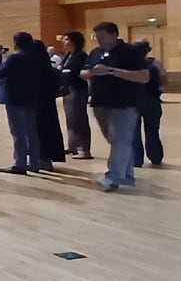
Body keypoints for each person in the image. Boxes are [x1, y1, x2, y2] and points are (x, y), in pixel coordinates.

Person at [80, 21, 151, 191]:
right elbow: (83, 73)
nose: (98, 40)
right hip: (100, 103)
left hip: (124, 103)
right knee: (115, 140)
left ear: (113, 35)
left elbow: (144, 77)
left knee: (121, 140)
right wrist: (91, 73)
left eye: (101, 36)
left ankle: (113, 177)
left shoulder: (130, 52)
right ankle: (126, 175)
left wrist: (113, 71)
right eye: (96, 37)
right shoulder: (95, 52)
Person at [0, 32, 42, 175]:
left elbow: (0, 74)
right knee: (32, 131)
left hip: (15, 97)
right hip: (32, 96)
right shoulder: (36, 57)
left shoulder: (14, 58)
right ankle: (34, 163)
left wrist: (4, 61)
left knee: (18, 132)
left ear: (16, 43)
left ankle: (20, 164)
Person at [33, 39, 67, 171]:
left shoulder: (36, 69)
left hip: (38, 103)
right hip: (48, 103)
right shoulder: (48, 68)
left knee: (40, 130)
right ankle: (47, 158)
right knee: (49, 129)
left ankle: (42, 158)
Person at [58, 31, 92, 159]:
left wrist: (67, 72)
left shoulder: (81, 55)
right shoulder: (68, 55)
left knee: (79, 118)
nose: (63, 41)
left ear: (74, 41)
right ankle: (73, 145)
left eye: (66, 39)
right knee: (70, 118)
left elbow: (77, 72)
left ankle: (84, 148)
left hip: (78, 89)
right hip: (68, 89)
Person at [131, 41, 165, 167]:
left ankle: (136, 159)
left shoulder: (127, 65)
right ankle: (155, 157)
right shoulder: (156, 64)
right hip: (152, 101)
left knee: (134, 132)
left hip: (133, 102)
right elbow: (163, 81)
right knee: (153, 131)